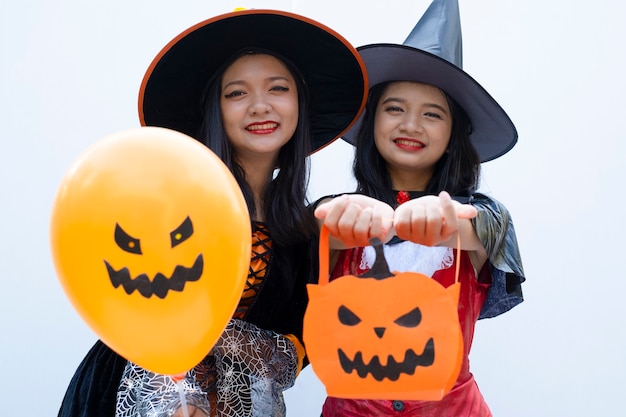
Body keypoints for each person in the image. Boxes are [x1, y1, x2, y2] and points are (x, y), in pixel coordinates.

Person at [57, 9, 367, 417]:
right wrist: (181, 398)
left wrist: (222, 341)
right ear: (215, 109)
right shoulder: (169, 196)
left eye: (278, 88)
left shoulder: (303, 229)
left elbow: (297, 354)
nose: (260, 106)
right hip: (139, 393)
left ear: (299, 101)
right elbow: (148, 304)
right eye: (237, 93)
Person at [314, 0, 525, 415]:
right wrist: (340, 218)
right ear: (372, 119)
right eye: (395, 109)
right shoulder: (337, 211)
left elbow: (471, 227)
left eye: (432, 114)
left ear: (454, 133)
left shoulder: (485, 217)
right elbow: (321, 229)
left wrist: (440, 220)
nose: (411, 125)